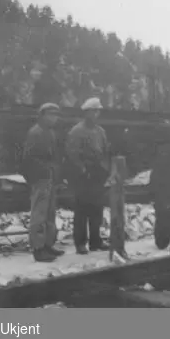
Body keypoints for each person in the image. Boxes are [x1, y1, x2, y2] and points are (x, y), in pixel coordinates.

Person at [66, 97, 110, 255]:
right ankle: (80, 243)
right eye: (94, 111)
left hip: (97, 175)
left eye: (98, 111)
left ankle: (95, 241)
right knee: (82, 211)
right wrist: (83, 170)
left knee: (97, 209)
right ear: (87, 113)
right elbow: (72, 154)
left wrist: (104, 170)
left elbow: (105, 151)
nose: (96, 114)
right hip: (83, 177)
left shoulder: (100, 131)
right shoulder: (77, 131)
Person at [21, 103, 64, 262]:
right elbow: (28, 159)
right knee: (39, 214)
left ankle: (47, 245)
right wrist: (36, 176)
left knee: (50, 213)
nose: (54, 118)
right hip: (41, 178)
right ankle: (38, 249)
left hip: (50, 177)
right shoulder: (35, 133)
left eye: (56, 115)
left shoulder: (50, 133)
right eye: (51, 115)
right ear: (42, 115)